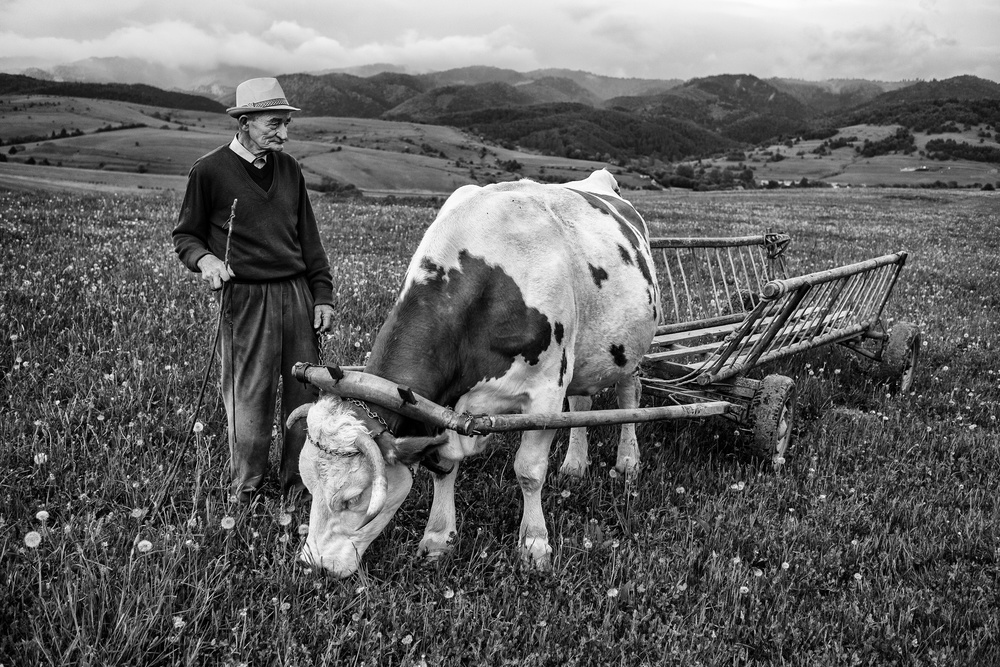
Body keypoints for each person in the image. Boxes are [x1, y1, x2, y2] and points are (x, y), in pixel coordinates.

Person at [172, 77, 335, 504]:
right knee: (249, 397)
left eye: (286, 124)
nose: (283, 133)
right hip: (244, 300)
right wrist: (205, 260)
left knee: (304, 392)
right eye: (274, 124)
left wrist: (322, 295)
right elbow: (186, 236)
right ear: (244, 122)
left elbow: (309, 239)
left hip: (296, 295)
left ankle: (298, 487)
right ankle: (246, 488)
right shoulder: (209, 171)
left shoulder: (289, 169)